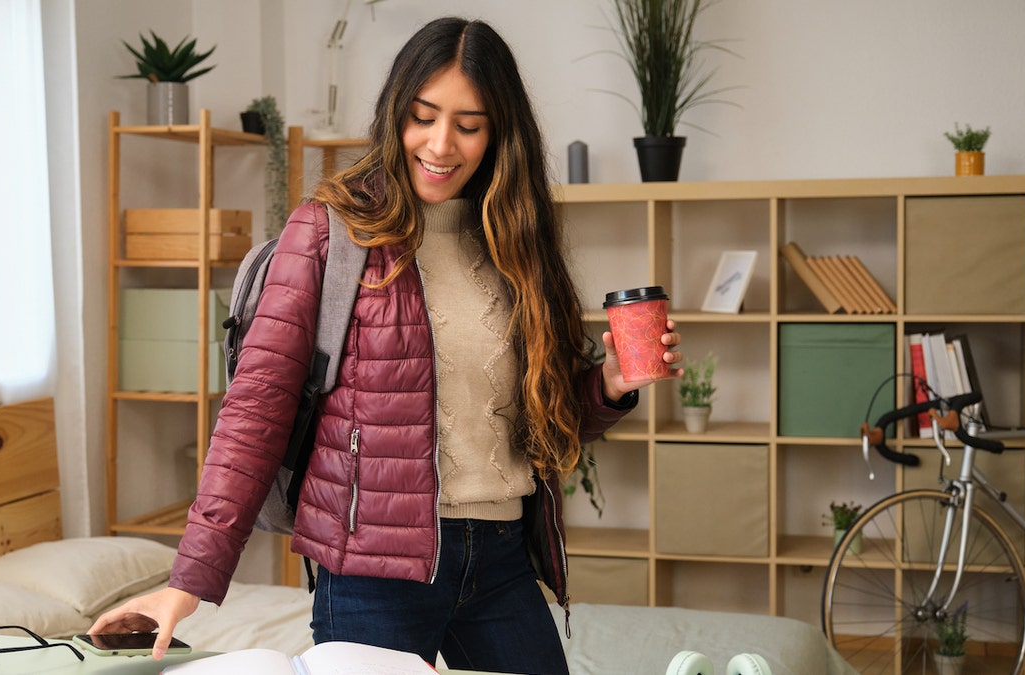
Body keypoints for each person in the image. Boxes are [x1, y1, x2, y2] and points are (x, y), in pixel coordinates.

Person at [90, 16, 682, 674]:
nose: (440, 143)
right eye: (423, 116)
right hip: (369, 570)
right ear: (396, 112)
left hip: (502, 559)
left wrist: (608, 388)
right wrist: (190, 579)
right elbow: (255, 409)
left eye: (468, 123)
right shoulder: (329, 231)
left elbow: (538, 420)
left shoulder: (516, 240)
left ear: (499, 132)